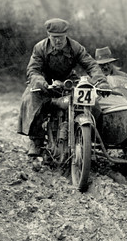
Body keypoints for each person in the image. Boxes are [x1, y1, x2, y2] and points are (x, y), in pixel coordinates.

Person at [18, 18, 109, 156]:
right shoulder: (40, 47)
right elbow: (33, 70)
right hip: (45, 81)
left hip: (68, 80)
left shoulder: (76, 47)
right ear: (49, 36)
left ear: (66, 35)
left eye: (61, 37)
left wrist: (101, 81)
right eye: (54, 37)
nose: (58, 41)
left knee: (93, 103)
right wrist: (41, 82)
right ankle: (36, 140)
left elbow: (91, 64)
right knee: (31, 99)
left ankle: (88, 137)